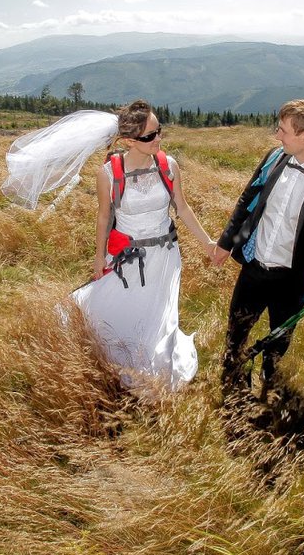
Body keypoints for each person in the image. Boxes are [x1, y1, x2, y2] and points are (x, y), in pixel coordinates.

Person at [70, 100, 217, 394]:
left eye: (158, 131)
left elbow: (183, 208)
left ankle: (155, 361)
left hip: (165, 257)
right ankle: (125, 358)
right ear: (128, 141)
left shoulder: (168, 165)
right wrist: (99, 258)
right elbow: (104, 217)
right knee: (126, 310)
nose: (158, 139)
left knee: (158, 313)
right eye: (149, 136)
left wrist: (208, 243)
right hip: (127, 259)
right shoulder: (109, 174)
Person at [211, 99, 304, 398]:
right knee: (236, 331)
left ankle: (269, 380)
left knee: (279, 339)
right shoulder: (274, 159)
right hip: (253, 268)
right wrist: (226, 243)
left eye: (283, 131)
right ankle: (234, 380)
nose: (277, 136)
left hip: (292, 280)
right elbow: (246, 200)